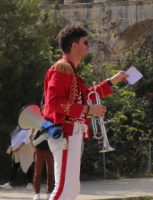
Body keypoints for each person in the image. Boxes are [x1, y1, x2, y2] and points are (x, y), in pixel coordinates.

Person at [42, 25, 127, 200]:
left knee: (72, 189)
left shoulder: (70, 70)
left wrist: (112, 81)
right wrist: (89, 110)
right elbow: (54, 101)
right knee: (63, 189)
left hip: (72, 132)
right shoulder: (62, 68)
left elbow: (88, 95)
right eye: (85, 42)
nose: (88, 45)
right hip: (65, 132)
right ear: (74, 46)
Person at [32, 127, 55, 200]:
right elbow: (30, 135)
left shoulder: (51, 121)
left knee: (50, 173)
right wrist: (34, 147)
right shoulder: (38, 121)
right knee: (37, 173)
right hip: (39, 150)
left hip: (50, 150)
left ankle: (50, 193)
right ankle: (36, 194)